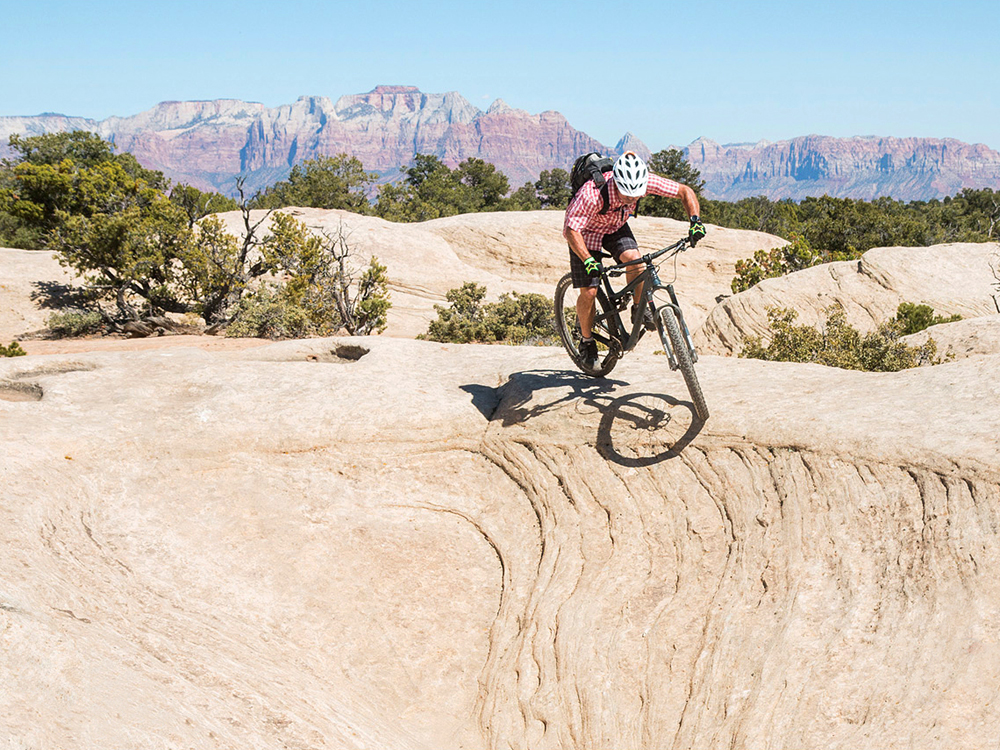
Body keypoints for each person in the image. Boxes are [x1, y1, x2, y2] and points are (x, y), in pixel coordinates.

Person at [563, 151, 706, 367]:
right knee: (590, 291)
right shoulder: (591, 194)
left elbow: (684, 191)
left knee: (637, 261)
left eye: (635, 196)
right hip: (586, 233)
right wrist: (587, 260)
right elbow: (571, 230)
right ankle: (586, 341)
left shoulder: (643, 182)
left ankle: (639, 308)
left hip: (615, 228)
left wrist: (695, 221)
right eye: (627, 195)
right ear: (617, 183)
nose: (631, 199)